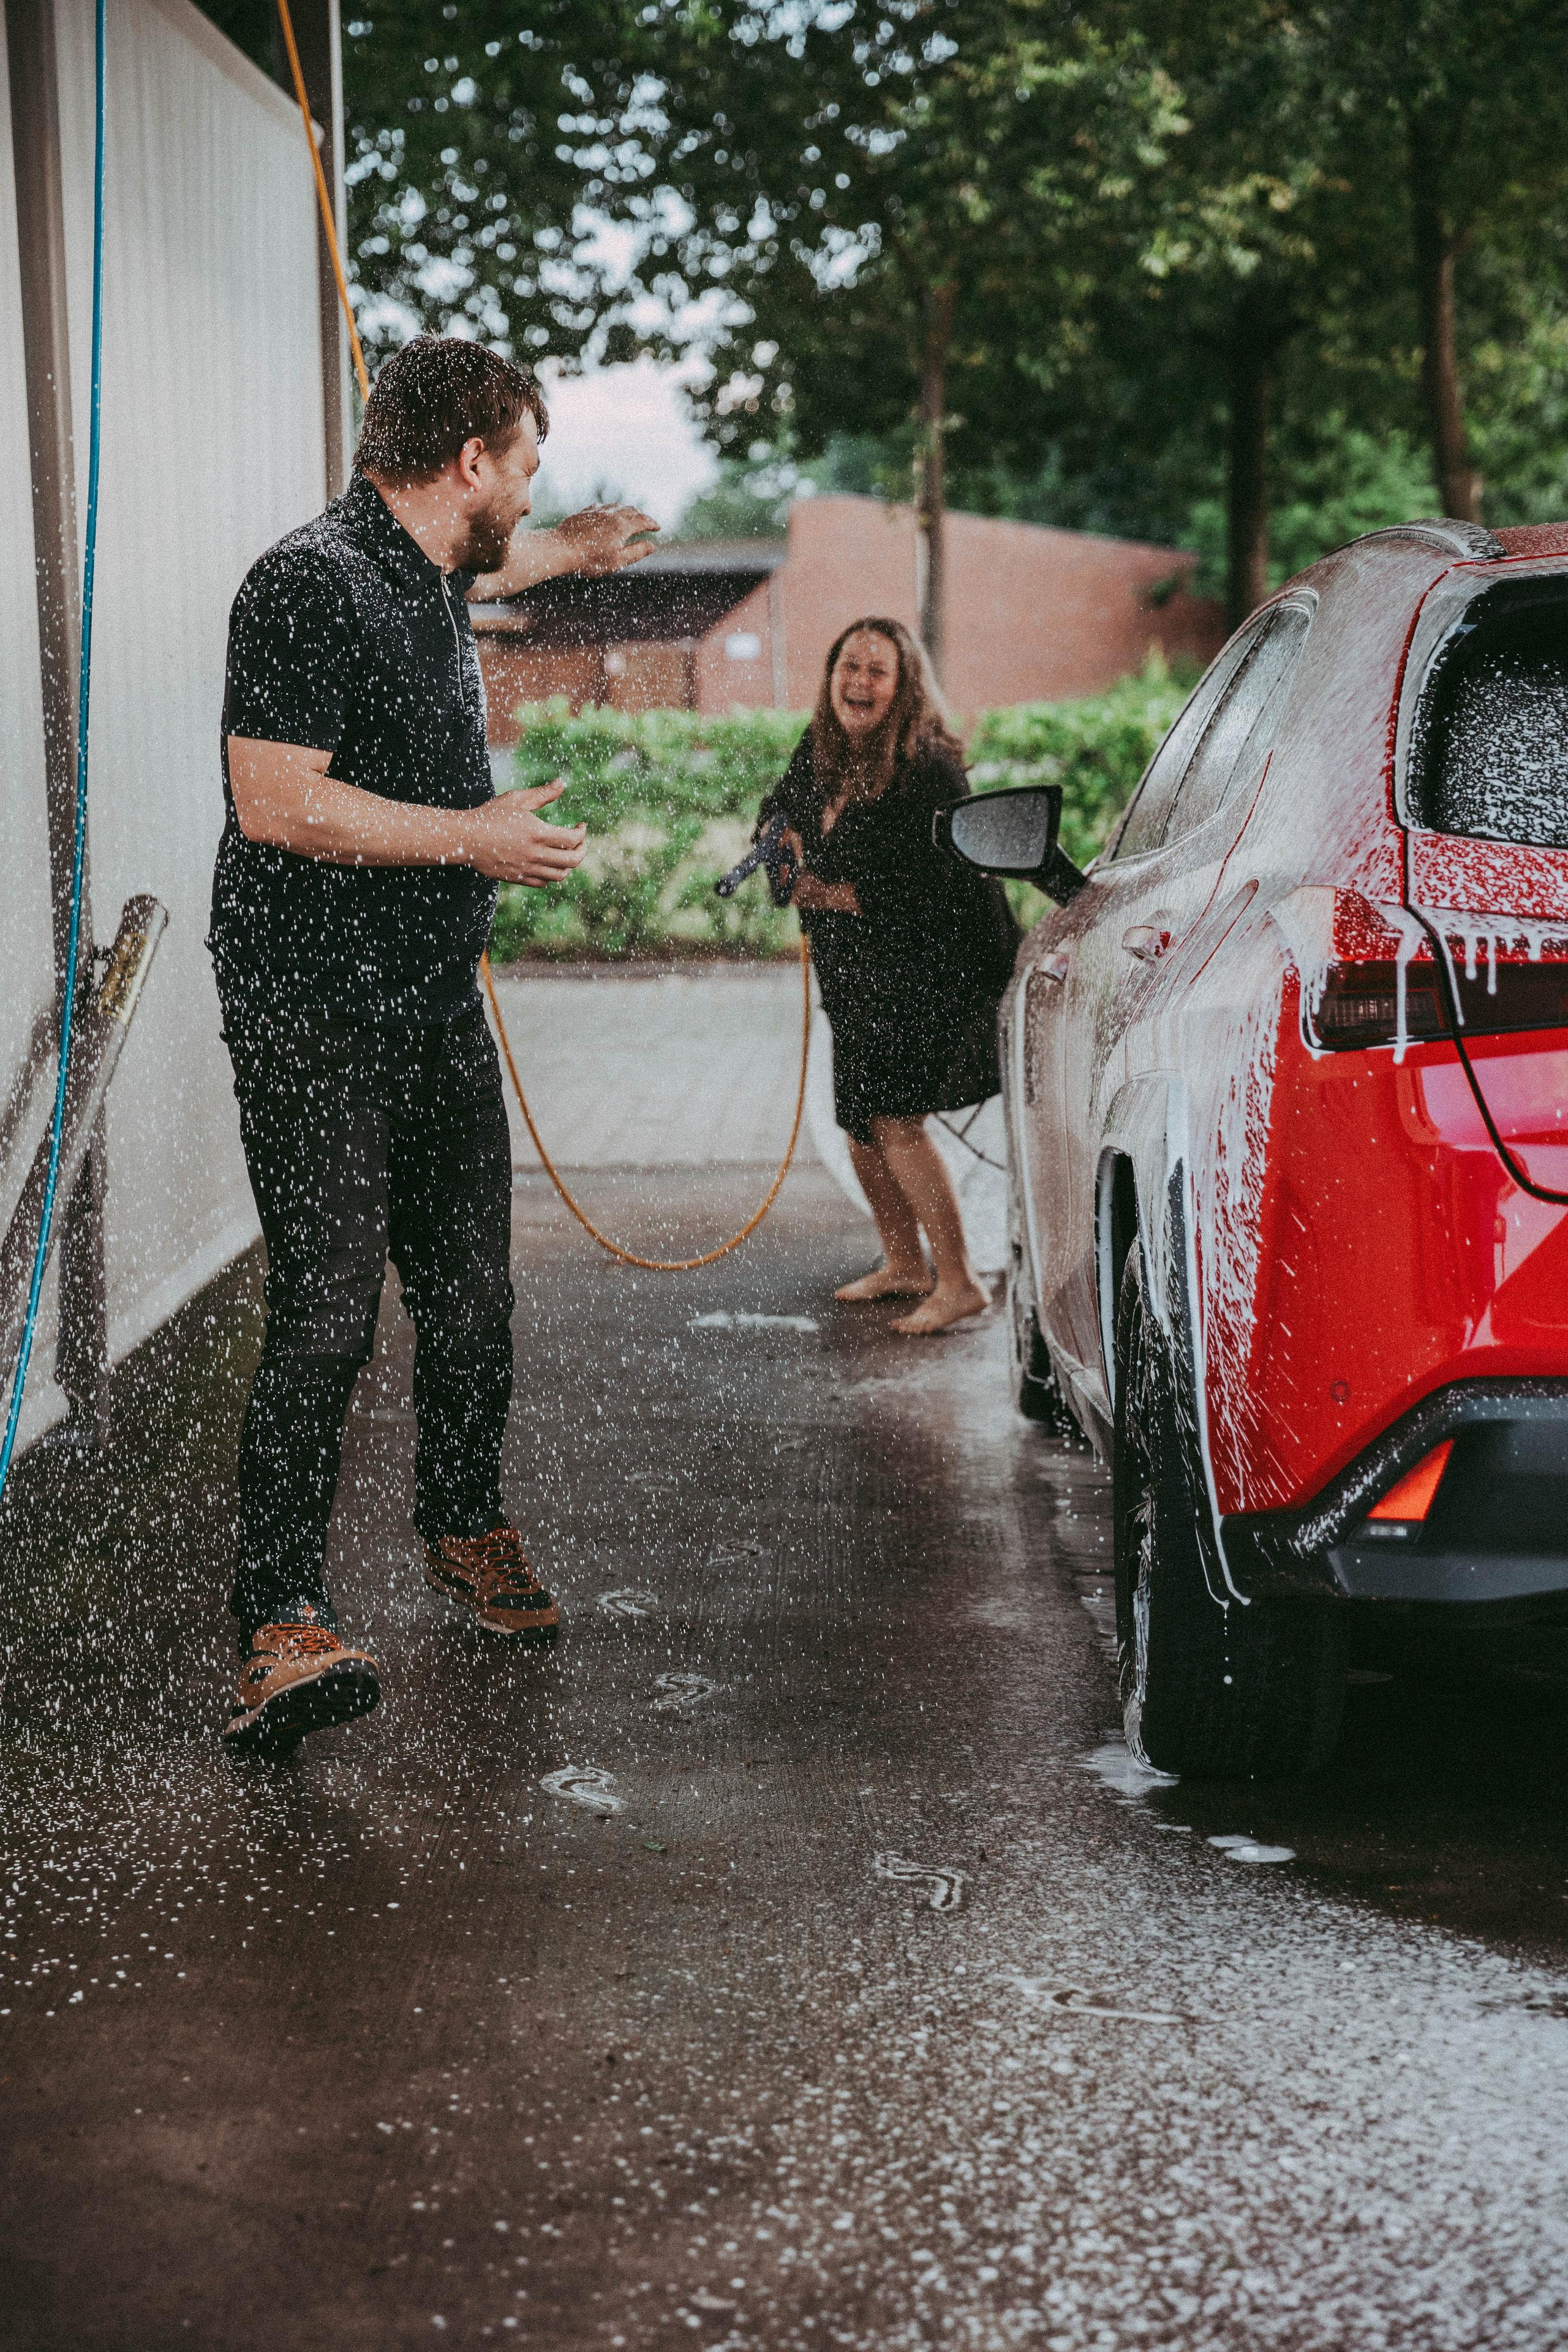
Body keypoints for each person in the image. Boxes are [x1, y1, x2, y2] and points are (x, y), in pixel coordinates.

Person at [210, 334, 655, 1758]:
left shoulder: (423, 569)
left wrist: (575, 546)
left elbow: (491, 569)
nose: (525, 493)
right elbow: (277, 802)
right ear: (468, 462)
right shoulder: (301, 583)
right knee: (330, 1313)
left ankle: (462, 1523)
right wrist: (478, 836)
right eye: (524, 469)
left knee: (470, 1293)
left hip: (426, 999)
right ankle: (278, 1623)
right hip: (310, 1008)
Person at [764, 617, 1020, 1336]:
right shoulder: (820, 749)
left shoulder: (928, 765)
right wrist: (777, 839)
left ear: (903, 686)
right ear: (831, 673)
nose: (860, 682)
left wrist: (834, 894)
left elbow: (947, 885)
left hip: (932, 969)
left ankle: (960, 1282)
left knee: (895, 1122)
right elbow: (778, 810)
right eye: (850, 665)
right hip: (860, 975)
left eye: (878, 671)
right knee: (860, 1122)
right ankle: (905, 1265)